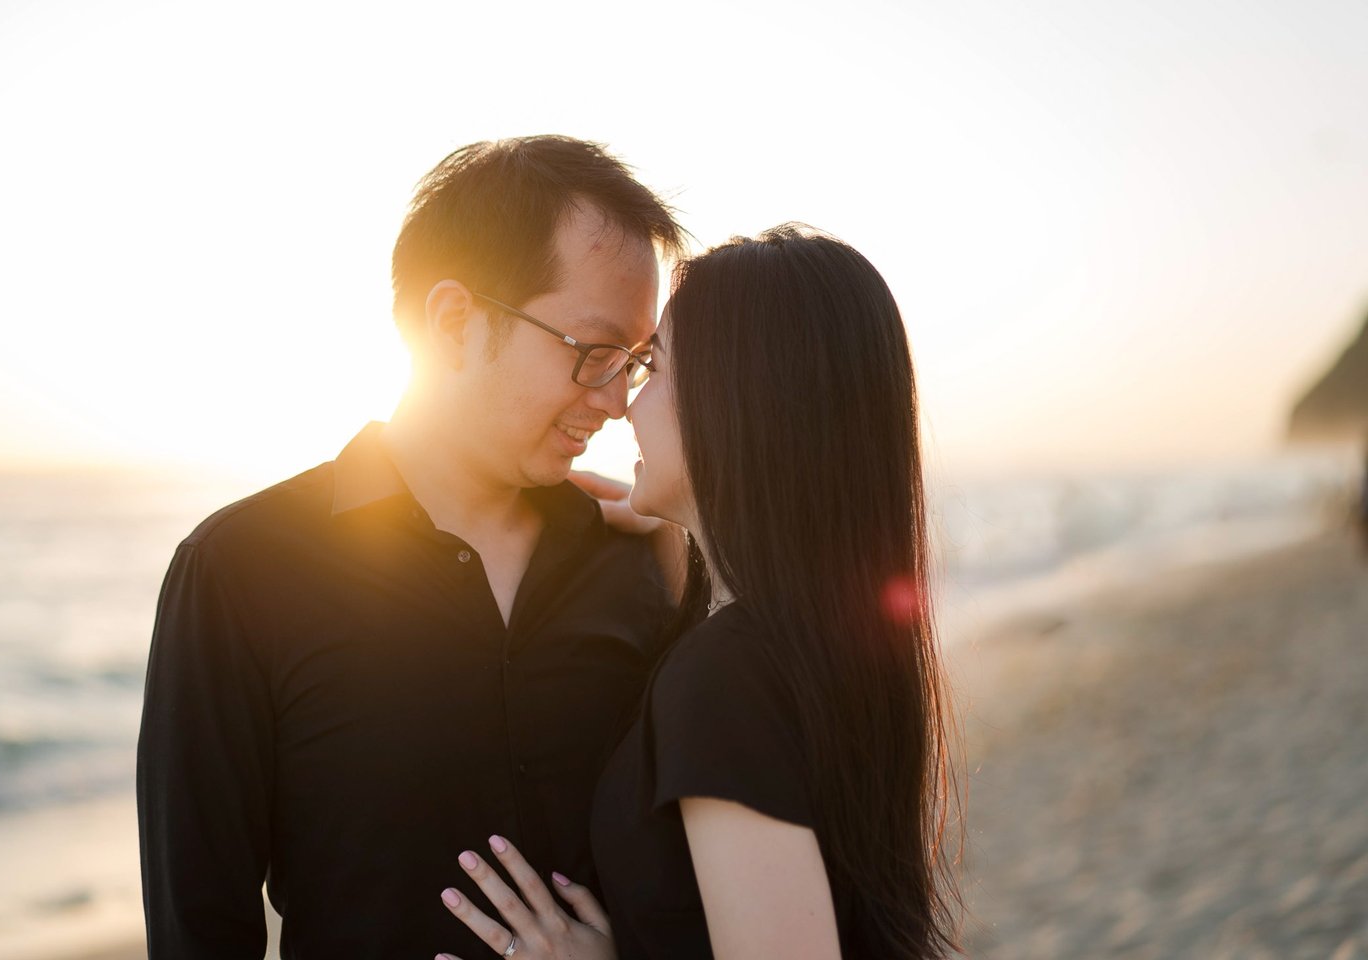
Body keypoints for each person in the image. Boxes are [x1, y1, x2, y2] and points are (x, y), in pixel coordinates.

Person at [136, 136, 686, 958]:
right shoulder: (239, 570)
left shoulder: (647, 561)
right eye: (591, 353)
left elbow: (701, 883)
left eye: (635, 363)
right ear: (455, 320)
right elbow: (197, 928)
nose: (613, 401)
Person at [436, 226, 961, 959]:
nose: (623, 405)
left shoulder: (725, 676)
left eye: (652, 366)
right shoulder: (830, 640)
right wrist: (675, 526)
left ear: (738, 399)